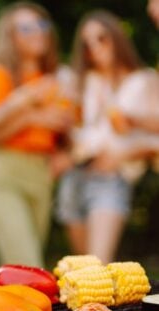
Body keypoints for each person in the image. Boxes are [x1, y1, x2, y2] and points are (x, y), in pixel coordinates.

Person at [0, 2, 74, 268]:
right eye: (26, 27)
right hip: (5, 170)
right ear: (10, 36)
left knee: (27, 268)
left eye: (42, 25)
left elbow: (70, 131)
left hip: (41, 174)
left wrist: (65, 154)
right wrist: (24, 107)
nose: (37, 32)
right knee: (26, 263)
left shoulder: (56, 80)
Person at [57, 10, 159, 264]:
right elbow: (75, 132)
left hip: (111, 179)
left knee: (97, 264)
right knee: (82, 270)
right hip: (76, 177)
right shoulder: (83, 82)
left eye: (101, 38)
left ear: (116, 37)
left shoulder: (143, 80)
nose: (94, 47)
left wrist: (125, 150)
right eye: (87, 43)